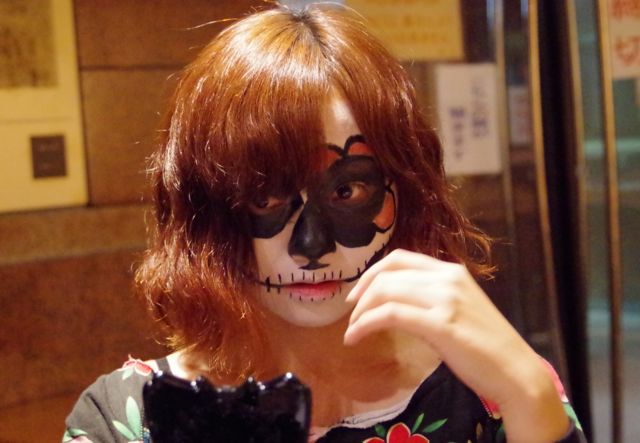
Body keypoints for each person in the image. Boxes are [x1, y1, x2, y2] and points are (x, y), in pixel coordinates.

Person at [63, 4, 587, 443]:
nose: (311, 246)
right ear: (204, 209)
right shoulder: (125, 420)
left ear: (406, 189)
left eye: (346, 191)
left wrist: (527, 390)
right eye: (264, 196)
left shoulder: (493, 390)